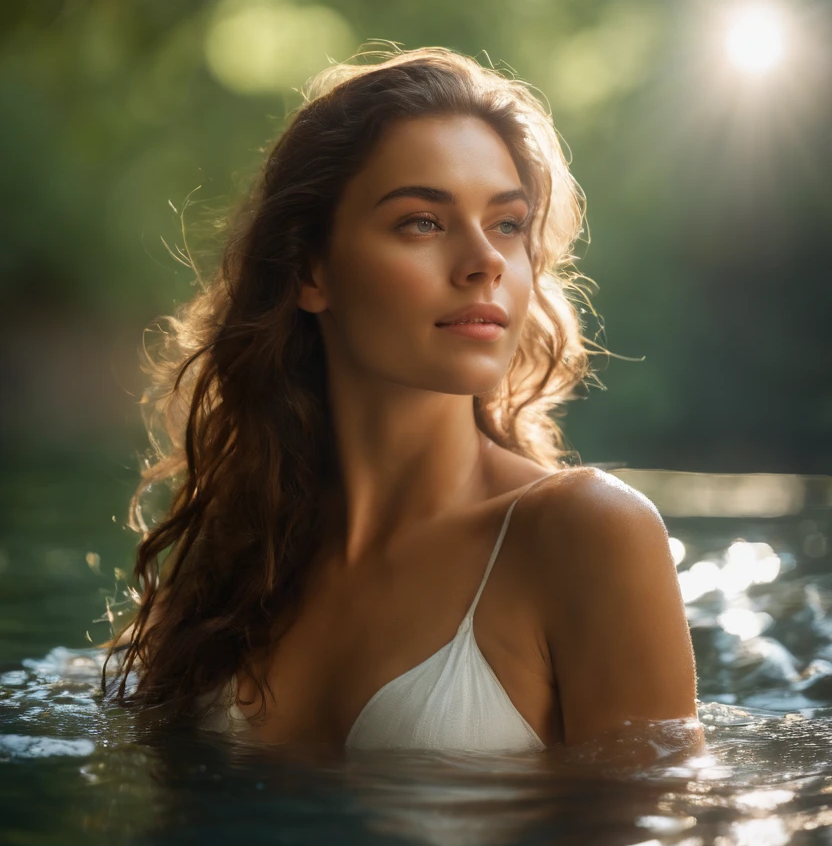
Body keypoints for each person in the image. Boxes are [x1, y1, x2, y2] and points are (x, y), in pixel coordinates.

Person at [105, 44, 702, 761]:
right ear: (310, 271)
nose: (485, 260)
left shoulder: (588, 534)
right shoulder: (234, 555)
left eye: (508, 224)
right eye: (423, 221)